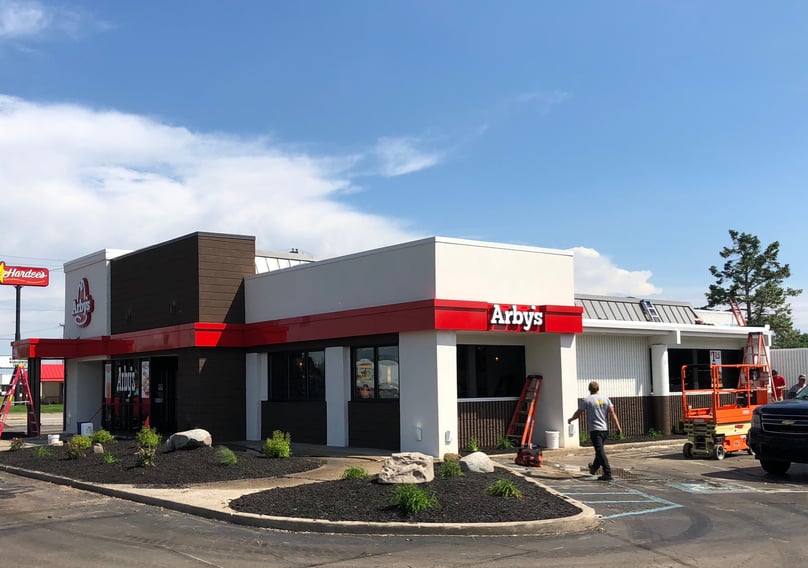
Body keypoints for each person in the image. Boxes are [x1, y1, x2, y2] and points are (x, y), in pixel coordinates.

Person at [568, 380, 622, 482]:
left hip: (595, 430)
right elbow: (612, 413)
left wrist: (571, 419)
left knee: (600, 451)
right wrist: (618, 427)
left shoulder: (587, 400)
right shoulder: (605, 399)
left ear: (589, 389)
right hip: (604, 430)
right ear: (598, 388)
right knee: (599, 450)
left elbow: (578, 413)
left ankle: (607, 473)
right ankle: (594, 468)